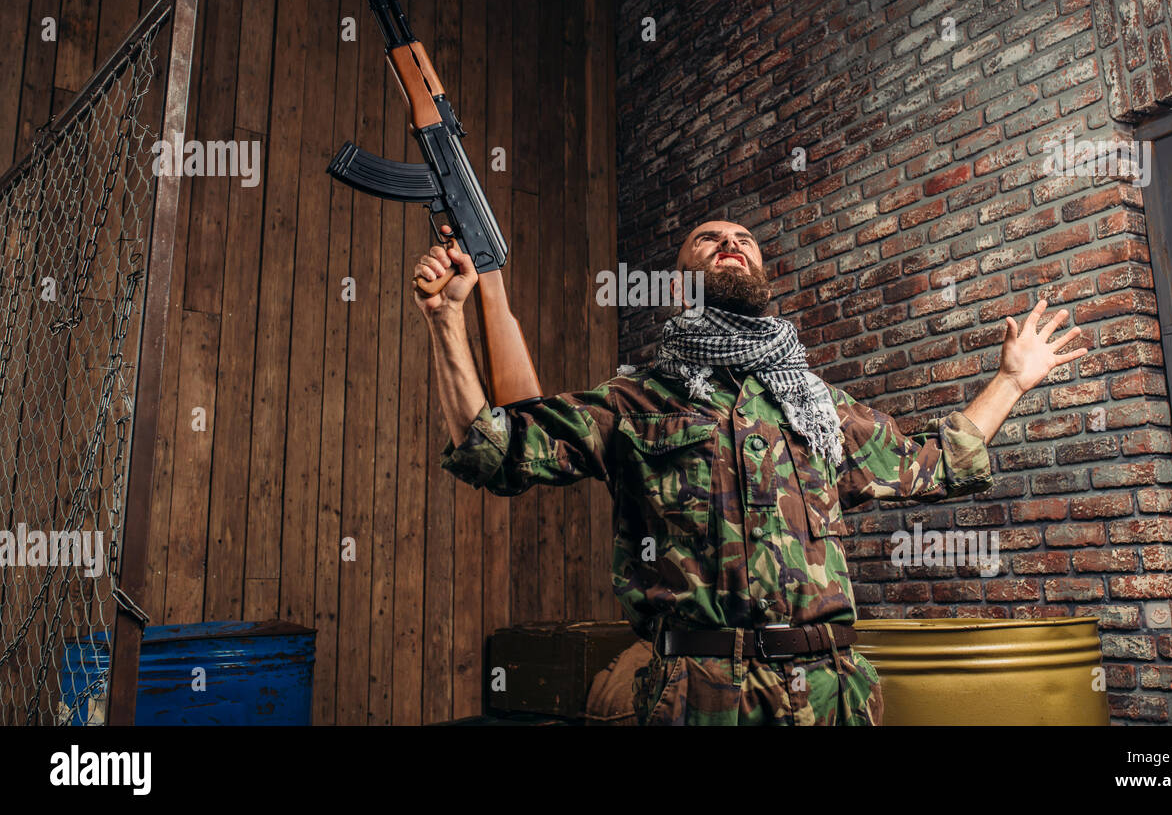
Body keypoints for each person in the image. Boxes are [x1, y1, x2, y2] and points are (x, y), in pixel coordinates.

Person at [415, 220, 1089, 725]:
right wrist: (449, 321)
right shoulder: (636, 400)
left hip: (830, 695)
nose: (730, 242)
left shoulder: (821, 408)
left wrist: (1010, 380)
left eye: (744, 238)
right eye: (709, 239)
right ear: (681, 282)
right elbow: (496, 449)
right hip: (693, 698)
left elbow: (934, 463)